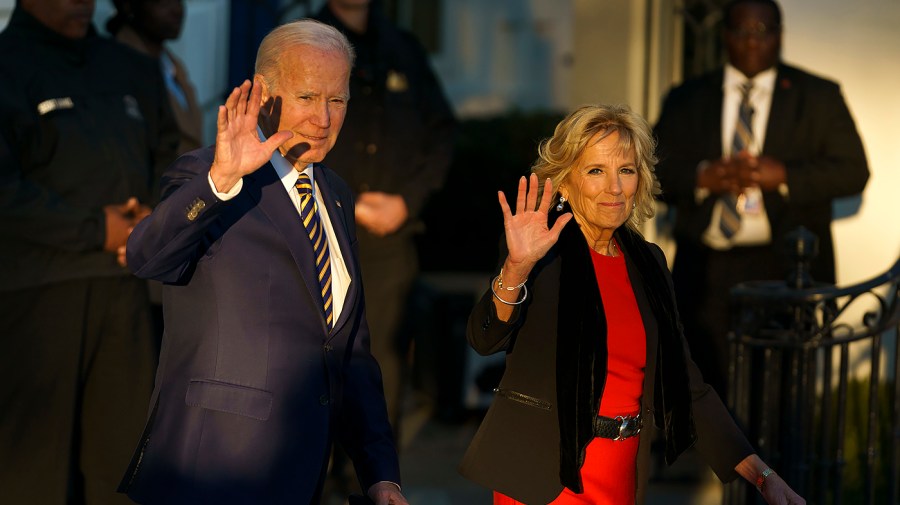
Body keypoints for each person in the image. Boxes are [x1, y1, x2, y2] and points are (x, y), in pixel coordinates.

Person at [117, 19, 408, 505]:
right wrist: (220, 180)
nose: (323, 119)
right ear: (265, 95)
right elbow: (146, 257)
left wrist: (381, 476)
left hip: (302, 473)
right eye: (308, 98)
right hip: (211, 471)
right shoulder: (210, 176)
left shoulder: (335, 195)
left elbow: (350, 351)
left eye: (337, 101)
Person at [458, 104, 806, 505]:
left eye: (626, 170)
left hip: (621, 475)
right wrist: (516, 268)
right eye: (595, 171)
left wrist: (762, 476)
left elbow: (687, 385)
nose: (615, 188)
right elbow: (484, 338)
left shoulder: (649, 263)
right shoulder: (540, 255)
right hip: (543, 477)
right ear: (565, 184)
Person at [0, 0, 179, 503]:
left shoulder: (131, 68)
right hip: (33, 302)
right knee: (32, 474)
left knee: (122, 468)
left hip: (125, 296)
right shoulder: (8, 64)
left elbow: (170, 158)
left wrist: (153, 219)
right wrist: (94, 229)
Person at [653, 0, 869, 396]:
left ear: (779, 35)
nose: (752, 42)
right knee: (707, 391)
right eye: (741, 31)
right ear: (725, 37)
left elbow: (854, 171)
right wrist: (704, 176)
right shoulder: (687, 97)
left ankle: (772, 462)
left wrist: (784, 175)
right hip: (706, 269)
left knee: (780, 393)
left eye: (762, 31)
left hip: (785, 267)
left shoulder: (817, 95)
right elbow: (652, 170)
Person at [314, 0, 457, 432]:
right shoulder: (306, 42)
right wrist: (343, 200)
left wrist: (407, 203)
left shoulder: (403, 48)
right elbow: (280, 135)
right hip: (316, 228)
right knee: (314, 355)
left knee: (382, 359)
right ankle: (321, 475)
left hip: (391, 240)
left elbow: (442, 132)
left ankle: (375, 479)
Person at [106, 0, 204, 156]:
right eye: (163, 2)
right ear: (129, 6)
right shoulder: (116, 66)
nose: (177, 10)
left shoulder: (170, 62)